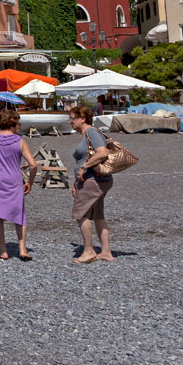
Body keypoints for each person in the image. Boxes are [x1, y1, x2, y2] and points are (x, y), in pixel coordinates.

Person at [0, 109, 38, 261]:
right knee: (19, 216)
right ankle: (22, 250)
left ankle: (3, 250)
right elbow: (33, 165)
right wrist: (30, 182)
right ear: (14, 124)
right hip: (14, 180)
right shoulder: (19, 141)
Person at [69, 106, 116, 263]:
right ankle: (106, 251)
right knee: (97, 215)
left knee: (81, 214)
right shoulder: (86, 134)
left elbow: (102, 152)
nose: (70, 122)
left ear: (82, 119)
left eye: (72, 118)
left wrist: (84, 167)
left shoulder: (91, 132)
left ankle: (89, 251)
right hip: (97, 180)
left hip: (93, 180)